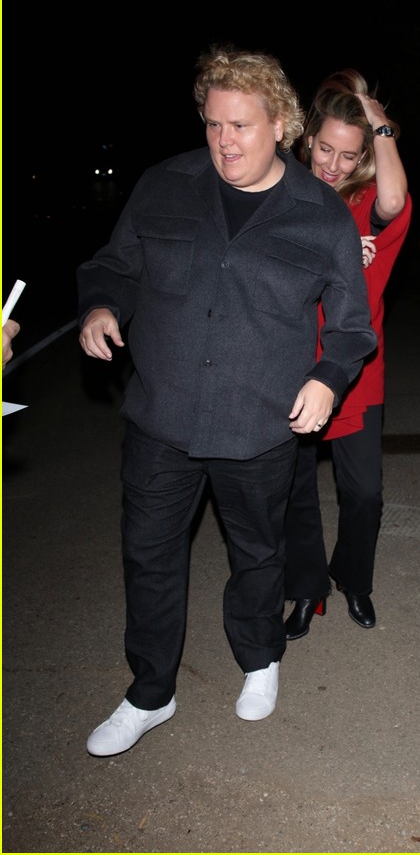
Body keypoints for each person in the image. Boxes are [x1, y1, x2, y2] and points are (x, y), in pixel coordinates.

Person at [77, 47, 377, 755]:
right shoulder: (165, 185)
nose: (224, 141)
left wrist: (325, 378)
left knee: (257, 550)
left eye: (240, 125)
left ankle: (259, 656)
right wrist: (100, 307)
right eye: (213, 124)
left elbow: (351, 326)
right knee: (148, 555)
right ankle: (150, 692)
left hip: (259, 421)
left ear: (281, 125)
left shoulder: (319, 214)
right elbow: (114, 264)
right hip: (162, 415)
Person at [284, 69, 412, 640]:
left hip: (355, 369)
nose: (332, 164)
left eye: (348, 153)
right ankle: (306, 588)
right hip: (287, 363)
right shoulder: (282, 192)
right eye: (325, 148)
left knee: (364, 491)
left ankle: (352, 577)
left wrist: (378, 122)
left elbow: (393, 198)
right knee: (293, 490)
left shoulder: (365, 202)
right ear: (308, 138)